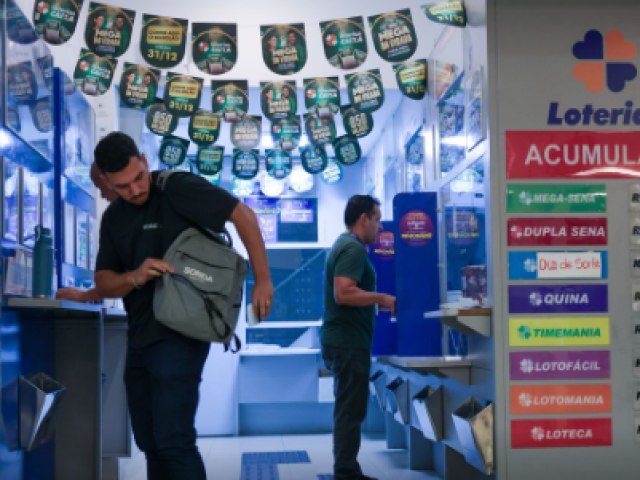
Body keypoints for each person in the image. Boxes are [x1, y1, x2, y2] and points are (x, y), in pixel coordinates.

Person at [92, 131, 273, 480]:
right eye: (122, 187)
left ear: (144, 161)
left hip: (182, 333)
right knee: (149, 441)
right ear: (107, 182)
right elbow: (104, 282)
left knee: (173, 441)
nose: (135, 190)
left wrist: (263, 281)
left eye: (138, 178)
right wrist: (135, 276)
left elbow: (244, 216)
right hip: (140, 336)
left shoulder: (177, 188)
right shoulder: (114, 218)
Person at [321, 195, 396, 480]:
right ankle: (346, 473)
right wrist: (381, 298)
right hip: (348, 343)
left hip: (345, 341)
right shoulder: (352, 248)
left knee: (348, 409)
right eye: (377, 219)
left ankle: (347, 469)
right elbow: (343, 292)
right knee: (350, 411)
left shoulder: (345, 244)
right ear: (363, 219)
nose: (380, 227)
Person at [55, 163, 118, 303]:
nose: (102, 195)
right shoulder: (113, 218)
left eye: (102, 187)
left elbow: (133, 278)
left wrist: (86, 296)